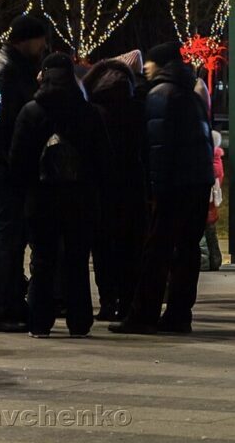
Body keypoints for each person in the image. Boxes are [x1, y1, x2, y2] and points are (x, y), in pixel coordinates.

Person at [110, 43, 215, 334]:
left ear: (162, 65)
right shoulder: (189, 91)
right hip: (197, 181)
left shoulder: (160, 94)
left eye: (150, 63)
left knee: (157, 250)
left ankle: (143, 315)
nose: (145, 67)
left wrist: (154, 190)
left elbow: (158, 147)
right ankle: (180, 315)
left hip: (173, 185)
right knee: (187, 250)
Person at [9, 53, 106, 338]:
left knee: (43, 259)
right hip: (80, 198)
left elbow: (18, 160)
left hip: (41, 198)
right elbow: (103, 159)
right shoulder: (88, 112)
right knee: (77, 259)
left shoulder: (32, 111)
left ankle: (39, 322)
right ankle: (79, 321)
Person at [0, 15, 49, 333]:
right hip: (6, 161)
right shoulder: (8, 71)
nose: (44, 46)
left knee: (11, 235)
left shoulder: (9, 65)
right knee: (6, 235)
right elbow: (12, 120)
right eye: (41, 39)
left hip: (7, 159)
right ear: (27, 38)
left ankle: (9, 302)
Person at [83, 56, 147, 321]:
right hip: (132, 187)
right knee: (131, 247)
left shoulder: (91, 110)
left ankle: (108, 302)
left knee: (103, 248)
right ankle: (128, 301)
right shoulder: (138, 107)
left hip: (100, 188)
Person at [201, 131, 225, 272]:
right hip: (212, 206)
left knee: (202, 236)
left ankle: (203, 262)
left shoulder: (209, 163)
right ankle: (215, 260)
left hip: (206, 204)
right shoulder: (218, 161)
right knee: (211, 234)